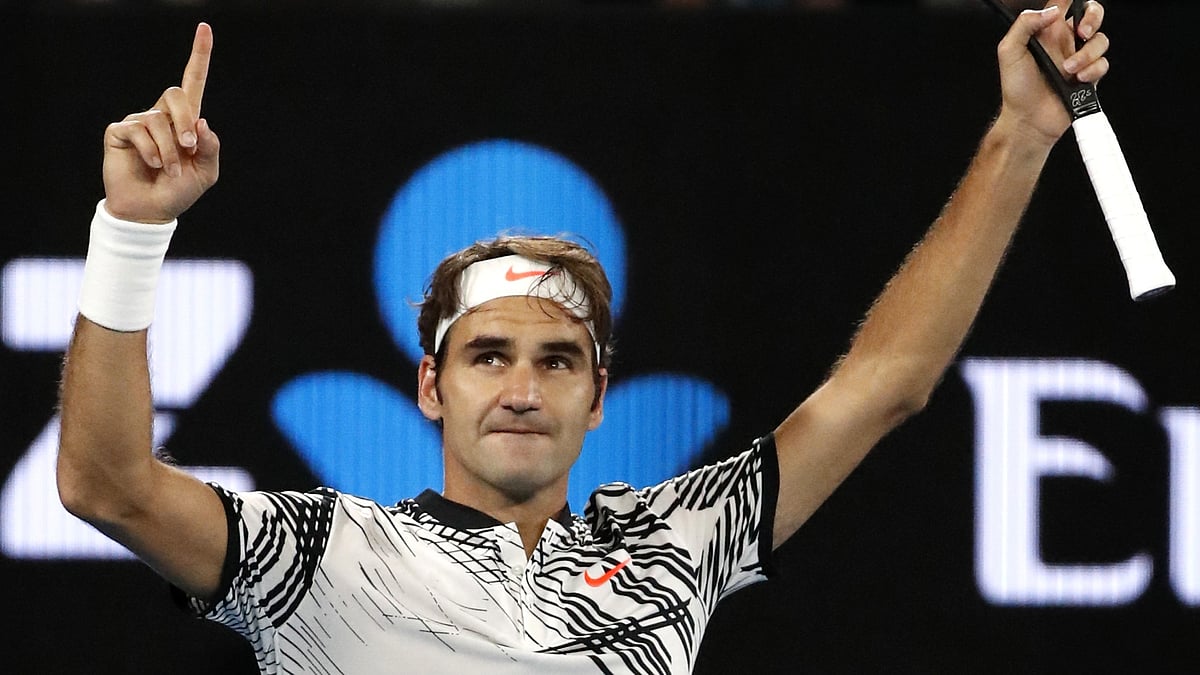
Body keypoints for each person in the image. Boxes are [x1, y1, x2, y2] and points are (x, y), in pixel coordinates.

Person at [56, 2, 1110, 672]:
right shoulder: (320, 555)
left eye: (556, 360)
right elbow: (106, 485)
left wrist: (1022, 133)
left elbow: (885, 383)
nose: (523, 387)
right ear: (431, 386)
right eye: (488, 355)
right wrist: (132, 231)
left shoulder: (677, 543)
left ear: (599, 396)